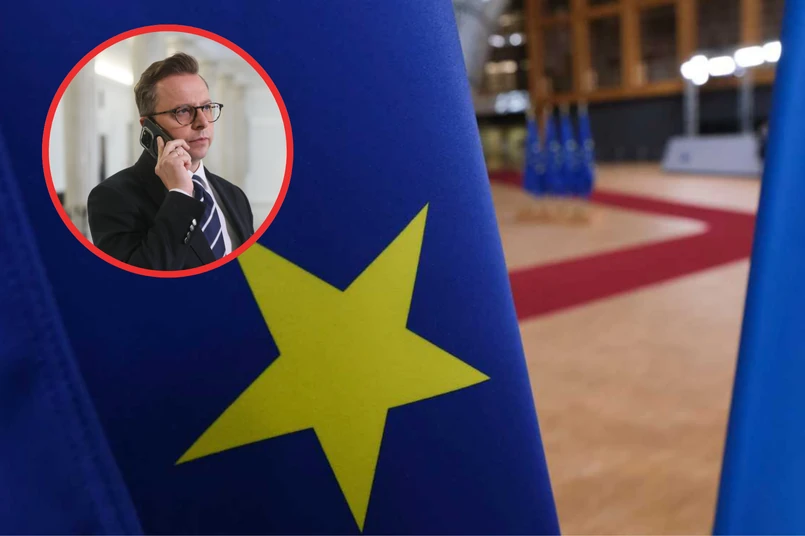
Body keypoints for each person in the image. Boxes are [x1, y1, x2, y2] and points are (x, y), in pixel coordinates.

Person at [87, 52, 254, 271]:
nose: (203, 122)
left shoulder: (234, 195)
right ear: (149, 125)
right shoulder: (112, 197)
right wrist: (180, 195)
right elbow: (136, 281)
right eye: (183, 111)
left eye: (206, 107)